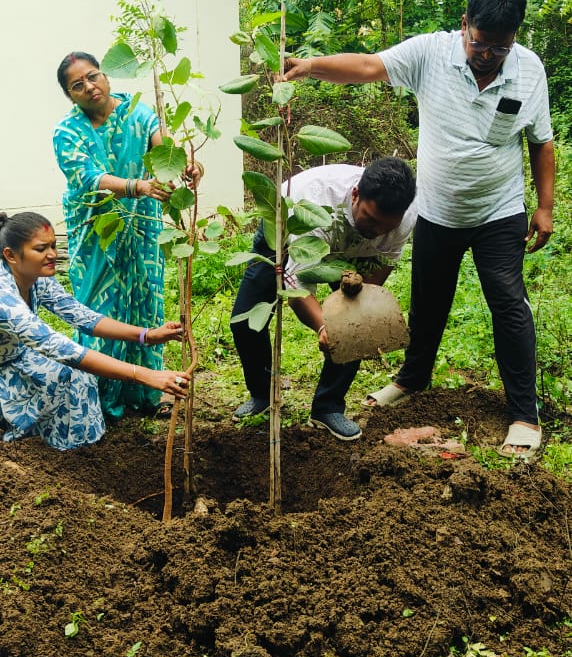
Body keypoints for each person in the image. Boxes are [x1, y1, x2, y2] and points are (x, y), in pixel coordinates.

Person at [285, 0, 555, 459]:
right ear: (464, 24)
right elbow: (369, 66)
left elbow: (541, 141)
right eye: (479, 42)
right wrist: (309, 66)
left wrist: (545, 206)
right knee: (428, 302)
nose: (488, 54)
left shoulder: (530, 70)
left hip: (499, 210)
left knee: (508, 304)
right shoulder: (431, 54)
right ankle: (412, 380)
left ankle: (523, 413)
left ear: (514, 38)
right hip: (436, 210)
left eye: (500, 46)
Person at [231, 158, 417, 441]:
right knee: (245, 321)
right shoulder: (313, 203)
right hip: (284, 233)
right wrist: (323, 326)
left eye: (386, 227)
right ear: (355, 195)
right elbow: (297, 284)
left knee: (357, 325)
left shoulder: (405, 218)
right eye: (370, 219)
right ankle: (261, 394)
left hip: (353, 254)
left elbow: (383, 263)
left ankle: (327, 407)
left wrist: (353, 312)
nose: (378, 231)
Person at [0, 211, 191, 451]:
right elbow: (56, 346)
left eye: (53, 246)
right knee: (64, 372)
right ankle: (23, 449)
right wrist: (145, 374)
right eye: (40, 249)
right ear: (11, 255)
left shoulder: (36, 276)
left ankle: (79, 453)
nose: (52, 255)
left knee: (78, 376)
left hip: (16, 356)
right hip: (6, 366)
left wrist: (147, 335)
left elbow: (82, 316)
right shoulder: (3, 296)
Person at [53, 51, 173, 419]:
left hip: (142, 223)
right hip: (94, 230)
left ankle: (149, 391)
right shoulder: (67, 132)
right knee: (96, 305)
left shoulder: (139, 113)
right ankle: (98, 394)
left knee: (146, 295)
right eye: (78, 85)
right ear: (70, 95)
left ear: (105, 76)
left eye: (94, 76)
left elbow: (163, 149)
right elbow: (88, 179)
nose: (90, 87)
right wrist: (136, 186)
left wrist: (185, 166)